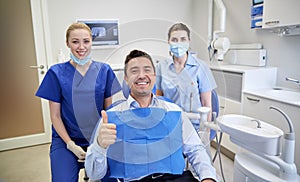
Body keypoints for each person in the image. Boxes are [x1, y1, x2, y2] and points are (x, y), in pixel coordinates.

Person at [85, 49, 218, 182]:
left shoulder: (174, 112)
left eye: (147, 70)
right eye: (134, 71)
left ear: (154, 76)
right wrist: (99, 146)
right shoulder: (111, 118)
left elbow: (196, 149)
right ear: (126, 79)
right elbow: (94, 175)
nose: (142, 75)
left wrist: (208, 177)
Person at [35, 22, 121, 182]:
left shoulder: (104, 70)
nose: (81, 47)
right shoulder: (56, 73)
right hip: (66, 139)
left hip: (98, 137)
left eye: (86, 41)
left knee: (112, 177)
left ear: (91, 43)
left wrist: (101, 144)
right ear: (67, 43)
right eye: (75, 41)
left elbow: (108, 112)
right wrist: (70, 144)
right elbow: (55, 116)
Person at [156, 23, 217, 131]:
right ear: (168, 42)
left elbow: (206, 103)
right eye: (174, 40)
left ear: (188, 41)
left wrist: (205, 133)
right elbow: (159, 98)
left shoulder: (201, 67)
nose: (179, 43)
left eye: (183, 39)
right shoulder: (161, 67)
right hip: (170, 124)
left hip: (195, 125)